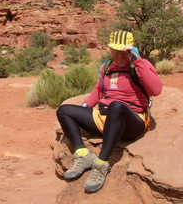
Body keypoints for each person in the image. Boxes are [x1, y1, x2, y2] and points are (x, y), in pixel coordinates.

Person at [56, 30, 162, 193]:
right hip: (104, 120)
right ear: (110, 50)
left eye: (123, 52)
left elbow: (156, 89)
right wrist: (84, 109)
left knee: (117, 106)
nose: (119, 56)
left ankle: (101, 164)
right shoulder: (107, 67)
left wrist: (138, 60)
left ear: (131, 50)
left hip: (132, 122)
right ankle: (83, 156)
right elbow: (98, 92)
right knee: (64, 111)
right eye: (115, 51)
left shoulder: (140, 66)